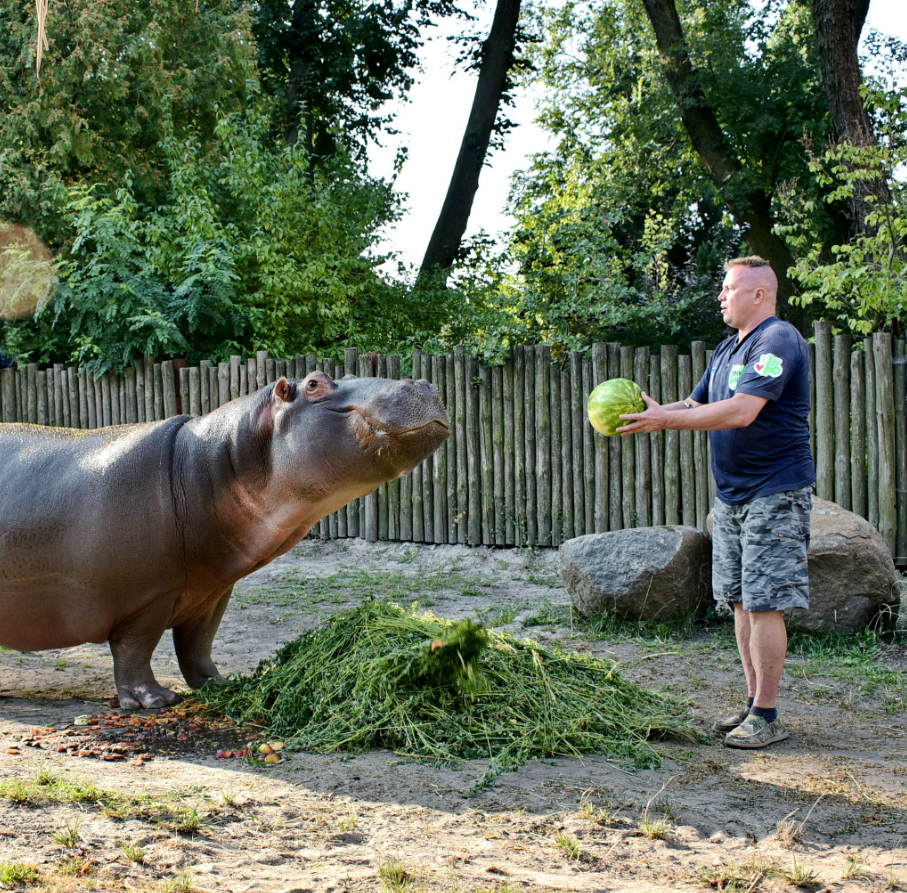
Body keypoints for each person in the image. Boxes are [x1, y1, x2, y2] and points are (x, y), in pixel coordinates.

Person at [617, 256, 815, 749]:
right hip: (731, 496)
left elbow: (744, 411)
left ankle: (768, 715)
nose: (721, 297)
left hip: (776, 491)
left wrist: (668, 421)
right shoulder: (729, 348)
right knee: (740, 601)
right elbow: (697, 402)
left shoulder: (778, 341)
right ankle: (752, 705)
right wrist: (657, 412)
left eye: (729, 288)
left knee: (766, 603)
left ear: (758, 295)